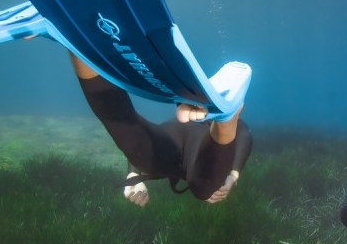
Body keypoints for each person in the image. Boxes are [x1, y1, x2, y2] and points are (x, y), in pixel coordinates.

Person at [70, 53, 252, 207]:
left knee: (126, 125)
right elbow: (244, 133)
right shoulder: (236, 128)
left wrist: (134, 172)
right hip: (190, 141)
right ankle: (226, 116)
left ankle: (78, 45)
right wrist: (233, 174)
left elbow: (244, 133)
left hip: (176, 136)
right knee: (204, 188)